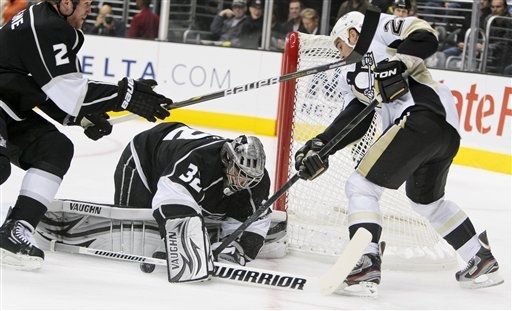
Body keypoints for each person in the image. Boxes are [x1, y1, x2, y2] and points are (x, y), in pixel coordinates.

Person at [294, 11, 504, 295]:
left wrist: (397, 63)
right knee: (426, 201)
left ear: (353, 34)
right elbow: (356, 118)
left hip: (421, 117)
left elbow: (425, 35)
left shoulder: (377, 29)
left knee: (360, 186)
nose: (339, 53)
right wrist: (323, 145)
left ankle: (366, 259)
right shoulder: (351, 75)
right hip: (443, 133)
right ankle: (478, 256)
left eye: (340, 45)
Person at [0, 0, 171, 270]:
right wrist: (127, 96)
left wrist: (79, 117)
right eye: (87, 4)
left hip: (8, 108)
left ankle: (15, 230)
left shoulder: (47, 22)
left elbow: (48, 90)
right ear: (66, 3)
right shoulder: (47, 27)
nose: (89, 10)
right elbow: (74, 94)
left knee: (53, 148)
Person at [113, 122, 271, 282]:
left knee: (221, 200)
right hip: (147, 155)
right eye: (240, 173)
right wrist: (183, 247)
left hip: (179, 160)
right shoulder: (199, 161)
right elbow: (172, 198)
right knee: (132, 224)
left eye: (251, 178)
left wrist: (236, 248)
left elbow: (254, 227)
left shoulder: (257, 182)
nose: (244, 182)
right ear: (228, 159)